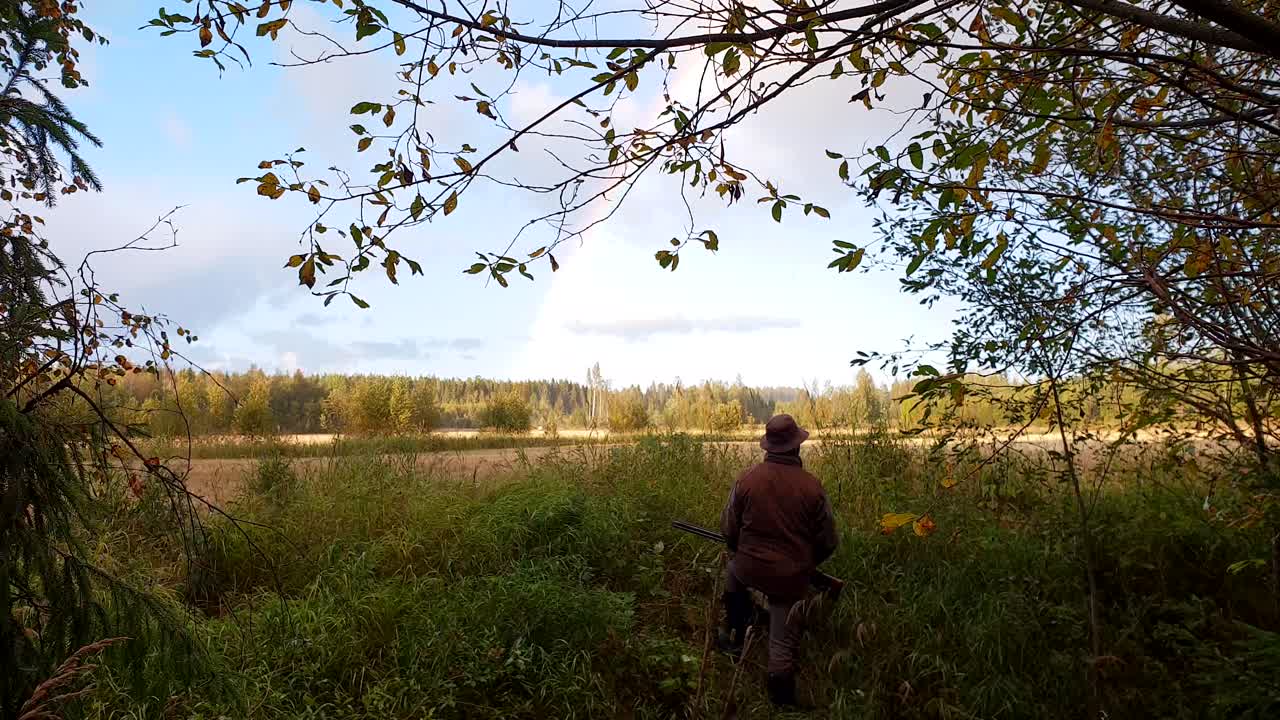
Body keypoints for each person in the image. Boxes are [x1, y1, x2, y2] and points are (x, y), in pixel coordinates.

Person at [718, 413, 838, 709]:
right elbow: (828, 541)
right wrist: (807, 566)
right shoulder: (812, 487)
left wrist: (741, 551)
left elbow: (728, 529)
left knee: (732, 574)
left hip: (747, 568)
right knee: (781, 644)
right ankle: (782, 704)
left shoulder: (746, 480)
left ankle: (734, 634)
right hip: (789, 578)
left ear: (768, 447)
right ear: (796, 446)